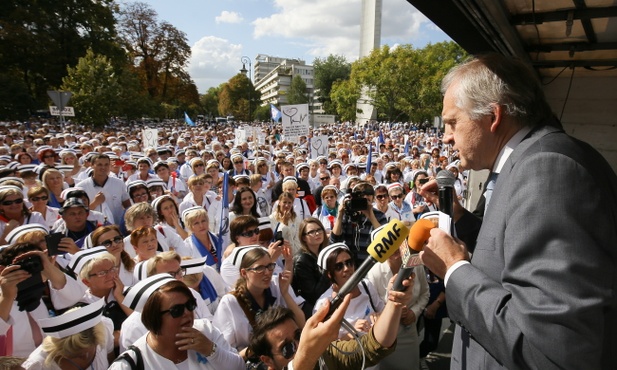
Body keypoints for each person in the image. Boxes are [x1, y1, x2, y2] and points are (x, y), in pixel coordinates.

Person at [419, 54, 617, 369]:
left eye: (452, 122)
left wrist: (455, 271)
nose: (446, 137)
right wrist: (459, 217)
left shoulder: (547, 170)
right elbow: (507, 249)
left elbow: (551, 349)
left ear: (493, 116)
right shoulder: (529, 162)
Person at [248, 272, 414, 370]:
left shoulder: (324, 354)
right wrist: (304, 359)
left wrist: (394, 301)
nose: (299, 346)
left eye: (299, 336)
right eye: (288, 348)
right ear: (267, 360)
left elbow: (373, 346)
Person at [110, 279, 244, 370]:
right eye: (177, 310)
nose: (187, 313)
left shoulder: (205, 330)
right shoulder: (130, 364)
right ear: (154, 316)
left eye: (190, 305)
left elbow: (239, 367)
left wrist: (210, 350)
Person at [213, 246, 304, 356]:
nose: (267, 272)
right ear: (244, 273)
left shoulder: (277, 285)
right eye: (259, 268)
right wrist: (261, 347)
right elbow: (225, 353)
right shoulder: (230, 302)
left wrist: (285, 293)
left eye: (270, 266)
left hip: (286, 354)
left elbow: (301, 324)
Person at [367, 242, 429, 370]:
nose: (394, 248)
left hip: (409, 330)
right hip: (385, 334)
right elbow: (371, 308)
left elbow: (425, 293)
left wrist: (413, 312)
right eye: (389, 245)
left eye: (398, 243)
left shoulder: (415, 264)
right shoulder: (374, 273)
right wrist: (392, 310)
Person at [313, 244, 384, 340]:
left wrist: (378, 317)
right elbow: (324, 344)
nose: (346, 268)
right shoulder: (324, 303)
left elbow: (382, 310)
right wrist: (352, 333)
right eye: (339, 267)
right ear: (329, 274)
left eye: (349, 262)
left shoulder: (365, 285)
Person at [22, 299, 114, 370]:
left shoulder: (103, 328)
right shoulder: (37, 364)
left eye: (89, 351)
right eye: (77, 355)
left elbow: (111, 359)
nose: (85, 357)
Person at [329, 182, 387, 263]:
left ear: (373, 198)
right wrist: (340, 215)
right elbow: (334, 240)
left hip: (370, 262)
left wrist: (371, 215)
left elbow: (385, 242)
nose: (365, 199)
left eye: (368, 198)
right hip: (349, 263)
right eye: (362, 197)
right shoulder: (348, 213)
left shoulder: (379, 215)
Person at [292, 218, 330, 319]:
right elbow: (313, 295)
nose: (317, 233)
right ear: (304, 237)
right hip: (313, 312)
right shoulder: (302, 260)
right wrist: (327, 269)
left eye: (319, 230)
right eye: (312, 232)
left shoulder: (324, 252)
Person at [77, 153, 131, 225]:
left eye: (106, 164)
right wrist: (95, 203)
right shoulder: (81, 187)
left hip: (117, 227)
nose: (103, 167)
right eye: (99, 165)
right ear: (92, 165)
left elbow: (128, 206)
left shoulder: (119, 183)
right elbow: (78, 212)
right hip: (93, 229)